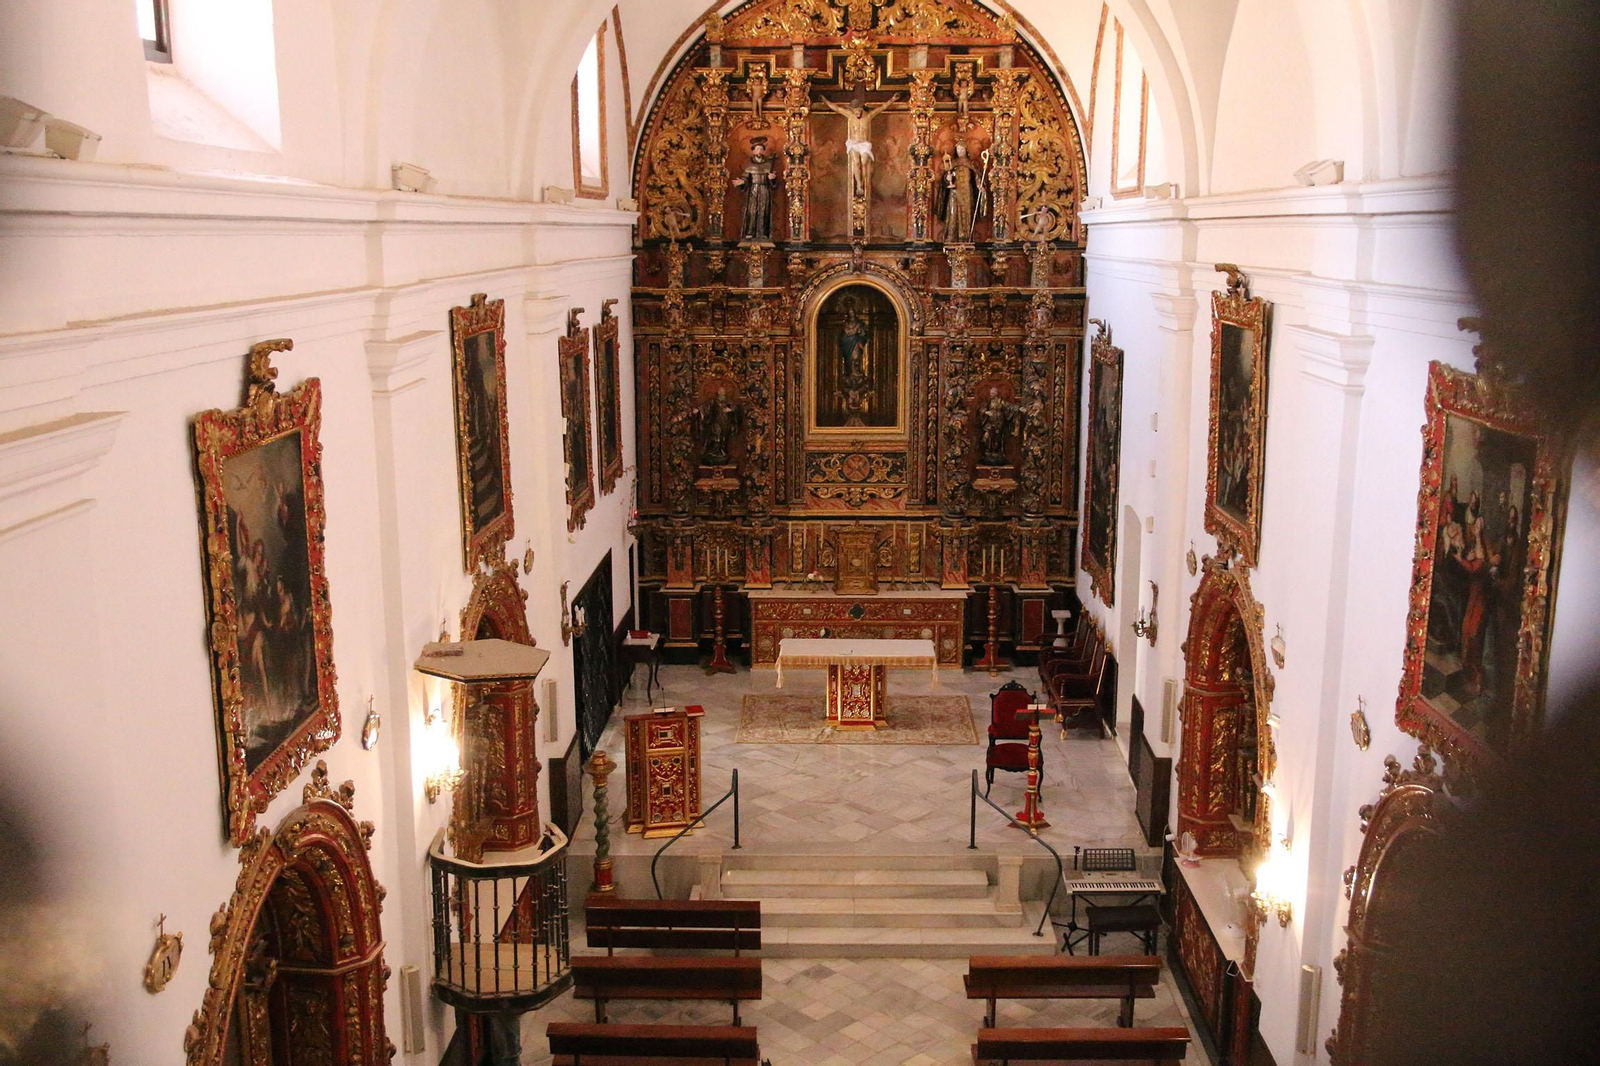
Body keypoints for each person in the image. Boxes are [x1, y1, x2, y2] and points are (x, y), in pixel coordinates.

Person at [821, 93, 901, 202]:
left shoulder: (868, 116)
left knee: (864, 161)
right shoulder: (850, 115)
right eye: (855, 111)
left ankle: (864, 182)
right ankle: (859, 185)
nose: (857, 113)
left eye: (858, 110)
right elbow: (836, 108)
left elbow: (882, 108)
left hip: (864, 144)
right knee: (856, 162)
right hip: (853, 143)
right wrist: (825, 100)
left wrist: (892, 99)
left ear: (861, 109)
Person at [733, 138, 779, 241]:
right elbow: (746, 177)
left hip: (764, 190)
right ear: (753, 151)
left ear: (763, 151)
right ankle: (750, 232)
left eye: (761, 149)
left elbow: (773, 182)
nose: (759, 151)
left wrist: (773, 179)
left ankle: (762, 233)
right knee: (752, 211)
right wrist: (742, 182)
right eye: (757, 149)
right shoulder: (749, 165)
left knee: (763, 210)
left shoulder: (769, 164)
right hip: (753, 190)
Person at [938, 143, 982, 241]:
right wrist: (947, 178)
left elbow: (976, 176)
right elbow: (945, 178)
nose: (960, 151)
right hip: (954, 191)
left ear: (966, 150)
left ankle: (965, 237)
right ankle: (951, 236)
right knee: (953, 213)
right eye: (958, 149)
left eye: (962, 149)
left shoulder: (970, 164)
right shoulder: (952, 163)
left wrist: (979, 184)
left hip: (966, 192)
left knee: (966, 214)